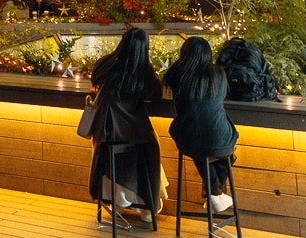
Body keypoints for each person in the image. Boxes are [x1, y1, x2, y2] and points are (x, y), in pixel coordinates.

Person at [87, 28, 165, 221]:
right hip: (133, 134)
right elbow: (156, 94)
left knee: (139, 147)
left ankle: (118, 201)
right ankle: (147, 205)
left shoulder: (105, 65)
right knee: (150, 147)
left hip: (106, 133)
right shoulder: (143, 73)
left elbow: (95, 80)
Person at [163, 37, 238, 213]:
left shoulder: (176, 75)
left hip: (188, 136)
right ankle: (215, 192)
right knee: (221, 149)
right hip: (220, 136)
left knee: (198, 142)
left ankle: (214, 193)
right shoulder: (219, 74)